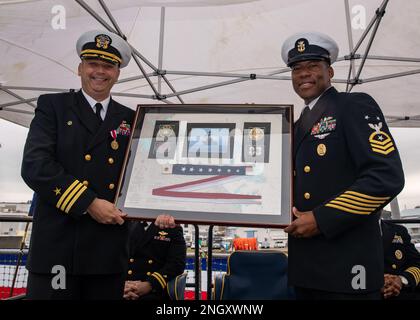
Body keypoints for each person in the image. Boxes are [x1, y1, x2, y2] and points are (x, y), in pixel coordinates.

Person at [282, 32, 405, 299]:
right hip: (307, 268)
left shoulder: (352, 105)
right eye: (297, 68)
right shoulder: (295, 125)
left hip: (347, 267)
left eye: (313, 66)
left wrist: (320, 218)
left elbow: (386, 176)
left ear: (331, 71)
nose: (304, 74)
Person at [21, 30, 135, 299]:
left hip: (107, 252)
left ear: (117, 73)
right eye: (93, 64)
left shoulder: (131, 119)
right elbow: (35, 166)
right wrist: (89, 203)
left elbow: (139, 175)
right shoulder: (53, 106)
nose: (100, 71)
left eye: (108, 66)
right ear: (80, 67)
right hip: (58, 250)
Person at [123, 218, 186, 300]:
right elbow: (115, 258)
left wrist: (150, 284)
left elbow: (177, 264)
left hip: (154, 290)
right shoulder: (128, 224)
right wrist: (122, 286)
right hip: (125, 290)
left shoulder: (172, 228)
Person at [381, 219, 420, 299]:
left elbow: (417, 262)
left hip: (401, 291)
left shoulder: (399, 230)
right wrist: (376, 282)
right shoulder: (350, 231)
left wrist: (401, 280)